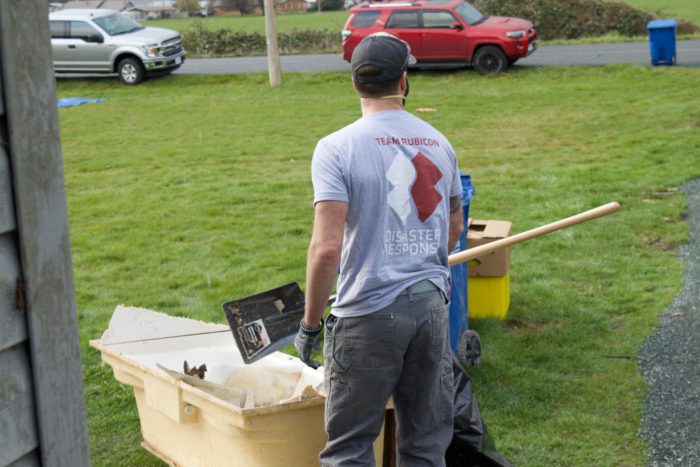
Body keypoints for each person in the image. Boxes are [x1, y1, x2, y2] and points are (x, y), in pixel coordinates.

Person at [295, 32, 464, 467]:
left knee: (350, 449)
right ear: (404, 82)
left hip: (367, 314)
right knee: (426, 446)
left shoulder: (336, 148)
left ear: (355, 84)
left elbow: (326, 249)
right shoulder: (439, 143)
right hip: (430, 308)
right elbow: (454, 226)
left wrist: (311, 324)